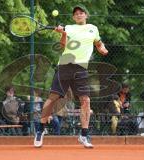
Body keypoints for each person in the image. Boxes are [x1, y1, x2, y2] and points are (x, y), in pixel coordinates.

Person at [34, 4, 108, 148]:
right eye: (76, 14)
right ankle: (40, 130)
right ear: (74, 17)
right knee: (53, 98)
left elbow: (98, 43)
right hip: (65, 65)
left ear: (86, 15)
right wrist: (62, 33)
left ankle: (84, 135)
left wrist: (102, 48)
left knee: (85, 100)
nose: (79, 15)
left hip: (81, 68)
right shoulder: (68, 28)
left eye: (81, 13)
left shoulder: (93, 28)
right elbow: (63, 46)